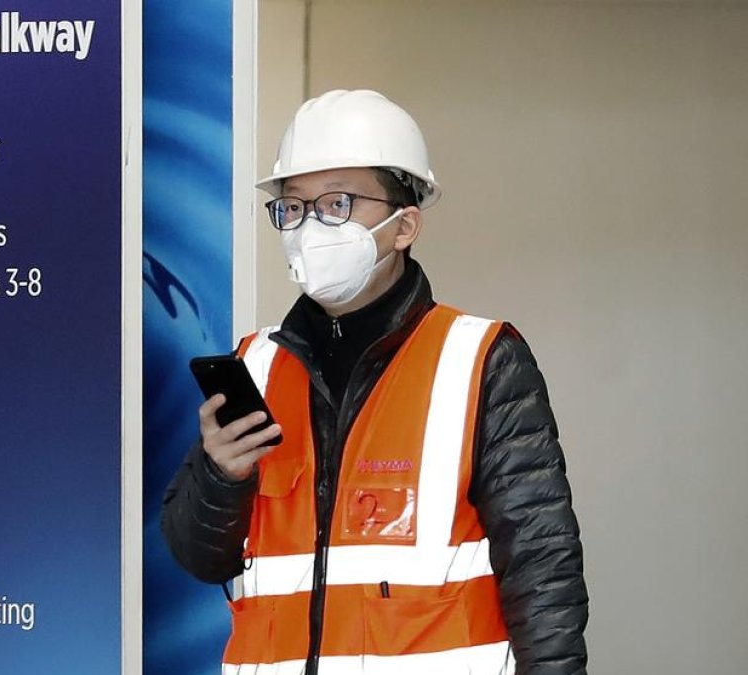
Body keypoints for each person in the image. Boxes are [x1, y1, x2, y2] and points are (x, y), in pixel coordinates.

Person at [161, 90, 588, 674]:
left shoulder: (481, 359)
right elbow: (198, 556)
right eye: (293, 206)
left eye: (337, 202)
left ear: (405, 225)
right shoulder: (256, 365)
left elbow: (543, 571)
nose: (310, 226)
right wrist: (220, 475)